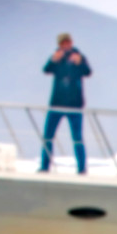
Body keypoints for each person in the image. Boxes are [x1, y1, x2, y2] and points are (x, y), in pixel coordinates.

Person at [40, 32, 91, 174]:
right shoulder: (57, 57)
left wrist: (79, 63)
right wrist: (53, 60)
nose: (65, 46)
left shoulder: (79, 57)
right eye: (63, 43)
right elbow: (46, 70)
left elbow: (88, 72)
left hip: (74, 105)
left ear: (71, 42)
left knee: (77, 138)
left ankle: (81, 168)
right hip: (56, 104)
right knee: (47, 136)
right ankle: (45, 166)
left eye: (67, 43)